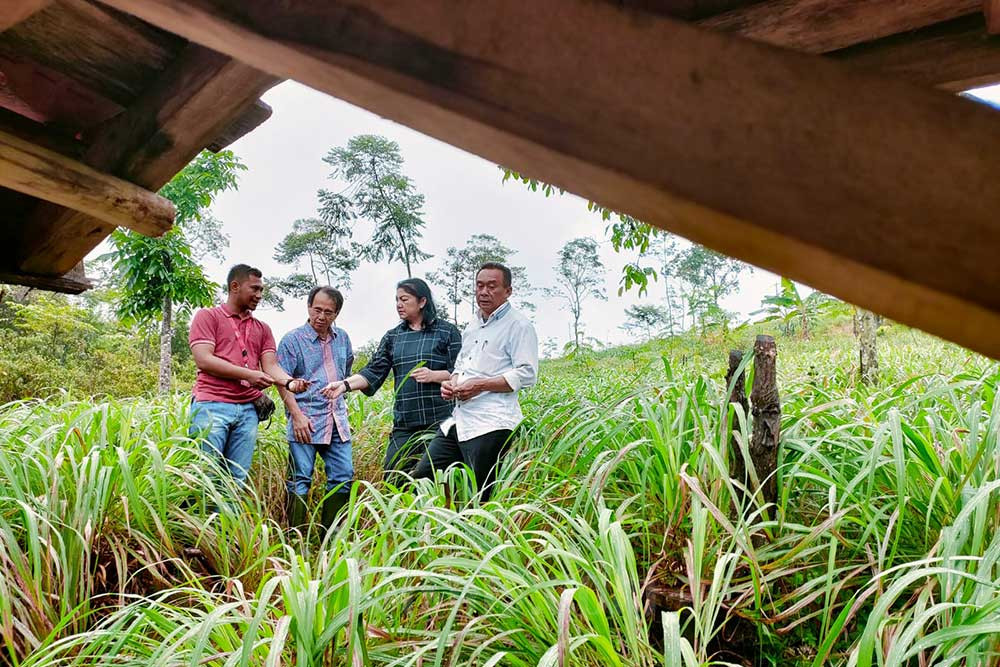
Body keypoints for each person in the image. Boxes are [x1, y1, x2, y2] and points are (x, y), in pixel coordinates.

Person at [410, 263, 538, 501]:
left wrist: (479, 385)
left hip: (492, 424)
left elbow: (527, 374)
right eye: (480, 286)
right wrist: (452, 384)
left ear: (508, 291)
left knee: (480, 495)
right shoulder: (473, 324)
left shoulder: (518, 325)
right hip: (460, 420)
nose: (484, 292)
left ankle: (477, 535)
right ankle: (435, 529)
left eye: (492, 286)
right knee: (423, 478)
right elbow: (461, 366)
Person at [322, 278, 462, 483]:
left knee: (436, 479)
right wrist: (344, 385)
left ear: (422, 301)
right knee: (394, 475)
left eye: (404, 299)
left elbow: (462, 371)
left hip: (440, 420)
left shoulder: (446, 332)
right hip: (405, 421)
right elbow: (373, 371)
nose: (399, 304)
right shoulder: (394, 337)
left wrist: (434, 375)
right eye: (397, 300)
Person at [189, 264, 308, 490]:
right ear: (235, 286)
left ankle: (228, 526)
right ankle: (200, 526)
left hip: (247, 411)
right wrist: (250, 375)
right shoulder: (208, 316)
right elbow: (204, 359)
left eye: (261, 290)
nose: (260, 295)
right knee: (205, 478)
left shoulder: (262, 328)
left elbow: (270, 366)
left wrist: (289, 382)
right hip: (211, 405)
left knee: (237, 480)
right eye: (254, 289)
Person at [276, 286, 355, 533]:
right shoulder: (292, 340)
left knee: (343, 477)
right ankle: (296, 539)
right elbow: (282, 381)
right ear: (309, 307)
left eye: (328, 312)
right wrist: (296, 416)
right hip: (305, 421)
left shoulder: (342, 338)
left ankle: (330, 538)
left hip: (336, 420)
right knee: (300, 480)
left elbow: (347, 372)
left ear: (337, 313)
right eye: (317, 309)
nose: (321, 316)